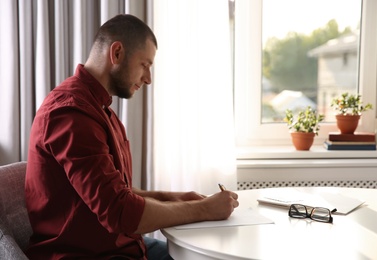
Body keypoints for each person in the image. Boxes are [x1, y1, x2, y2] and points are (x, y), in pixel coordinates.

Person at [25, 14, 239, 260]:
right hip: (87, 254)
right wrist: (203, 210)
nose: (148, 79)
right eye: (145, 65)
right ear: (116, 53)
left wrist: (176, 198)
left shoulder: (99, 110)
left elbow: (119, 193)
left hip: (120, 247)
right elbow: (120, 212)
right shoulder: (72, 113)